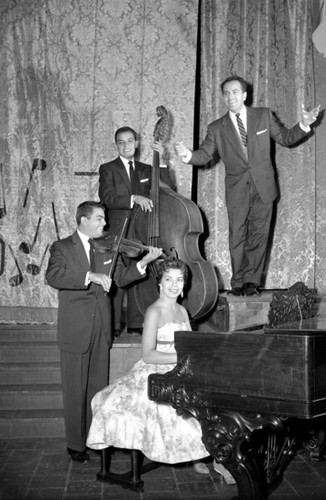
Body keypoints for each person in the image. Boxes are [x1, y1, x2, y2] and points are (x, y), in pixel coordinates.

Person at [175, 75, 320, 297]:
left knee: (259, 235)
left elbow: (286, 138)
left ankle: (252, 280)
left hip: (264, 187)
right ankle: (238, 281)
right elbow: (204, 154)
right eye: (226, 93)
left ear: (244, 95)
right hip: (237, 190)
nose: (230, 96)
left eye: (235, 92)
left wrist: (304, 124)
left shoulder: (263, 115)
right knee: (237, 236)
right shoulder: (217, 128)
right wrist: (188, 155)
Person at [45, 200, 163, 463]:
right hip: (76, 329)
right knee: (75, 389)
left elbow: (121, 277)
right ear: (83, 220)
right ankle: (75, 445)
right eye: (99, 219)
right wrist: (90, 276)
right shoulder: (62, 247)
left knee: (97, 389)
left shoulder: (108, 247)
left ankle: (94, 438)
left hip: (102, 328)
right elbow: (53, 276)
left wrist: (143, 262)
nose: (105, 224)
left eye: (104, 219)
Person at [86, 258, 210, 474]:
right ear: (159, 283)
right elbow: (148, 354)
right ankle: (190, 452)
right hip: (156, 367)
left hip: (181, 366)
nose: (174, 284)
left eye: (179, 280)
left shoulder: (182, 311)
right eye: (168, 279)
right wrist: (180, 357)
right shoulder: (154, 311)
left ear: (184, 284)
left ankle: (198, 453)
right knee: (168, 409)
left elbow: (190, 342)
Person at [99, 126, 172, 337]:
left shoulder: (145, 169)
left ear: (137, 143)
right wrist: (134, 198)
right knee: (117, 275)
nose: (126, 145)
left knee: (141, 274)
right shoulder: (108, 168)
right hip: (118, 228)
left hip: (141, 227)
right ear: (116, 145)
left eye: (130, 141)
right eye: (121, 142)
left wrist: (163, 161)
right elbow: (107, 198)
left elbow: (165, 188)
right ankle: (112, 326)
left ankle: (136, 323)